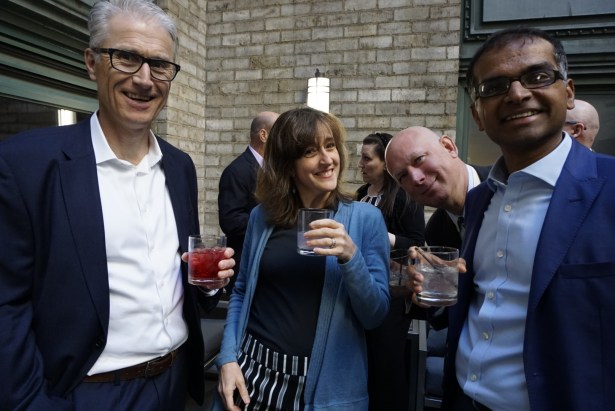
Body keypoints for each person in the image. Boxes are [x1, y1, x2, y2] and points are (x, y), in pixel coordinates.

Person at [0, 1, 235, 409]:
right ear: (92, 62)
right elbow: (7, 304)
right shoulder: (26, 164)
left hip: (175, 382)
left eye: (159, 65)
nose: (144, 79)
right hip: (88, 393)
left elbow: (178, 280)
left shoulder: (180, 166)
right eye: (126, 57)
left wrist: (209, 284)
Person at [411, 27, 615, 411]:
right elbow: (488, 302)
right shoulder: (480, 200)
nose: (518, 94)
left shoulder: (609, 189)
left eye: (537, 76)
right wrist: (439, 283)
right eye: (495, 86)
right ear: (477, 115)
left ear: (568, 92)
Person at [213, 107, 391, 411]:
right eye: (310, 151)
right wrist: (228, 358)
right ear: (287, 164)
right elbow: (241, 292)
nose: (327, 159)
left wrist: (350, 256)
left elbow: (374, 315)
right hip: (251, 374)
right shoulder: (262, 217)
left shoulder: (365, 219)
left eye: (330, 146)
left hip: (322, 391)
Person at [356, 132, 425, 410]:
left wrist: (380, 235)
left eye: (366, 158)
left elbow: (417, 243)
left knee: (387, 363)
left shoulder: (404, 196)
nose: (360, 164)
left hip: (392, 291)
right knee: (366, 360)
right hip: (362, 287)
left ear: (384, 164)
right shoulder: (361, 195)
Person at [385, 126, 490, 249]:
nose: (416, 178)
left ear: (448, 147)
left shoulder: (507, 182)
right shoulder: (435, 232)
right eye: (403, 176)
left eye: (419, 159)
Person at [218, 111, 279, 293]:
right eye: (279, 133)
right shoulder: (237, 171)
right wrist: (274, 220)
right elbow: (230, 221)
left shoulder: (272, 169)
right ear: (263, 135)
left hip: (268, 266)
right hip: (246, 266)